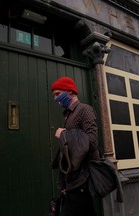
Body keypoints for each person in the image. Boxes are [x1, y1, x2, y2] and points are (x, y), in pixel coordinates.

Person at [51, 76, 99, 216]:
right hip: (72, 179)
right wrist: (64, 183)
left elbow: (92, 142)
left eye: (58, 94)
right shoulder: (68, 114)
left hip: (82, 179)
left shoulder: (85, 110)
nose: (55, 99)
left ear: (70, 92)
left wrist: (64, 135)